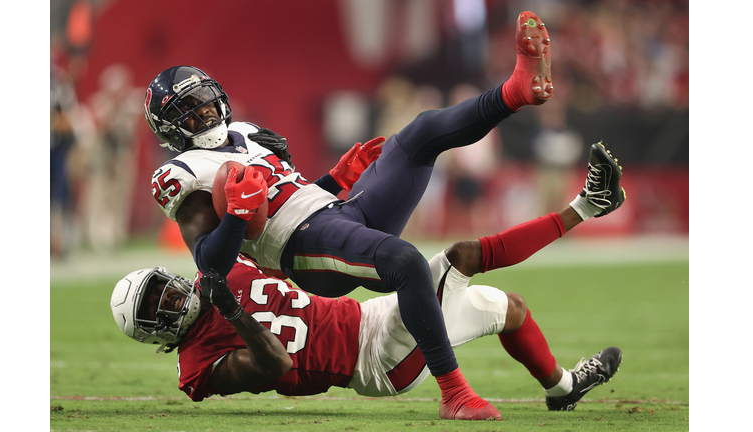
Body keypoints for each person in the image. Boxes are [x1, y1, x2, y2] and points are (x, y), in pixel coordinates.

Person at [144, 11, 625, 420]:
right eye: (191, 112)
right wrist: (235, 218)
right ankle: (454, 391)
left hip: (335, 214)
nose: (207, 114)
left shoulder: (246, 134)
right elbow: (211, 264)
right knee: (409, 261)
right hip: (306, 250)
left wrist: (334, 179)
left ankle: (515, 92)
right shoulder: (183, 173)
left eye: (207, 102)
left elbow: (292, 197)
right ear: (171, 128)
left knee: (417, 137)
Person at [111, 144, 624, 421]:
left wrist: (334, 181)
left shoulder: (214, 272)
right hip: (372, 360)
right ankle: (588, 205)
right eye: (156, 305)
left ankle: (563, 387)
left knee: (507, 308)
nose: (170, 297)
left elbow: (281, 245)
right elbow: (275, 363)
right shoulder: (197, 368)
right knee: (462, 257)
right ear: (153, 333)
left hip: (370, 319)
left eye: (160, 286)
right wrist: (234, 313)